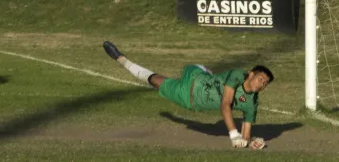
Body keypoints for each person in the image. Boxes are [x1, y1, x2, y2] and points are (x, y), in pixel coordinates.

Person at [103, 41, 272, 149]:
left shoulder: (252, 103)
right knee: (202, 71)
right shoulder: (237, 75)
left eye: (265, 83)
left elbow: (247, 132)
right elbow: (225, 104)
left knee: (155, 81)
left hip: (187, 99)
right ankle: (205, 69)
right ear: (250, 74)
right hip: (195, 76)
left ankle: (122, 60)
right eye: (260, 78)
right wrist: (234, 135)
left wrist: (249, 142)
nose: (262, 84)